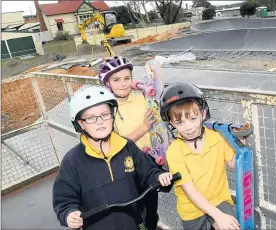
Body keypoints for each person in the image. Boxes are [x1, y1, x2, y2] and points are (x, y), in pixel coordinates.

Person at [52, 86, 173, 230]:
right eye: (90, 118)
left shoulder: (127, 146)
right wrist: (69, 213)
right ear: (80, 123)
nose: (100, 121)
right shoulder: (73, 161)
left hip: (134, 223)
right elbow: (64, 198)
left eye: (105, 114)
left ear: (112, 115)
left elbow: (147, 171)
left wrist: (159, 177)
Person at [160, 82, 240, 230]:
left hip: (218, 200)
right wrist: (218, 216)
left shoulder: (218, 137)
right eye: (180, 122)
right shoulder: (174, 151)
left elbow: (235, 165)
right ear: (171, 122)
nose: (188, 127)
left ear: (202, 113)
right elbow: (189, 190)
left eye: (192, 118)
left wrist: (239, 145)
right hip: (192, 209)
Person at [98, 56, 161, 230]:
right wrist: (144, 128)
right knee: (133, 212)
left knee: (151, 208)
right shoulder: (107, 108)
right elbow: (115, 143)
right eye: (116, 80)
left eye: (127, 78)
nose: (123, 84)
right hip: (125, 169)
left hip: (148, 163)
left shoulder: (140, 98)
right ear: (107, 83)